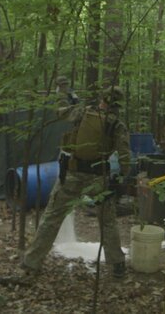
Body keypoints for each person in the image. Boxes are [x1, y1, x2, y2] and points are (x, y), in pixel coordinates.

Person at [23, 86, 131, 278]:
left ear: (102, 99)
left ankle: (31, 263)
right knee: (108, 222)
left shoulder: (83, 112)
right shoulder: (117, 125)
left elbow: (60, 112)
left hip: (72, 174)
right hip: (99, 177)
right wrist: (122, 177)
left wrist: (64, 96)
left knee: (52, 217)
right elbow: (124, 155)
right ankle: (117, 266)